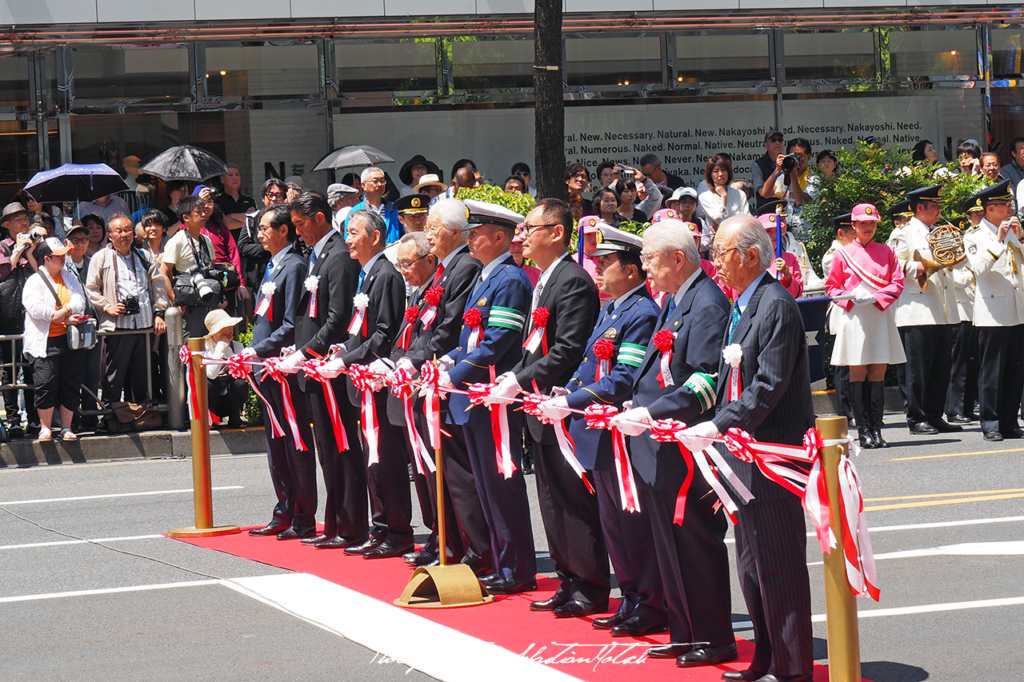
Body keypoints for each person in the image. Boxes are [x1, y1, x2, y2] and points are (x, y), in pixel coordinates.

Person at [685, 214, 815, 682]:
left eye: (721, 252)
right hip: (742, 453)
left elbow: (768, 384)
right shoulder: (743, 302)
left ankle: (794, 667)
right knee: (752, 566)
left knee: (778, 564)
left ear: (751, 256)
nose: (715, 262)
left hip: (772, 454)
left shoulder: (775, 304)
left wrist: (717, 426)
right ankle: (767, 655)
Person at [609, 218, 734, 665]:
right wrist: (631, 404)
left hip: (682, 441)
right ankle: (686, 628)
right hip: (658, 441)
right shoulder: (678, 298)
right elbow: (656, 369)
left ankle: (713, 635)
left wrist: (651, 412)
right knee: (670, 544)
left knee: (694, 541)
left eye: (649, 257)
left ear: (677, 259)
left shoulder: (706, 303)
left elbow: (703, 380)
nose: (643, 266)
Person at [539, 223, 662, 636]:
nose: (598, 270)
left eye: (606, 263)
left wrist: (571, 401)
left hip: (619, 433)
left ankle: (649, 602)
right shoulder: (612, 309)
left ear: (631, 270)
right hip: (597, 432)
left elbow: (623, 377)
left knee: (631, 524)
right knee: (613, 524)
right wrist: (566, 389)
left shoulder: (641, 312)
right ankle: (629, 597)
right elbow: (590, 366)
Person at [487, 198, 604, 611]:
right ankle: (568, 578)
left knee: (572, 500)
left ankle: (589, 585)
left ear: (556, 233)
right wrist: (514, 376)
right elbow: (534, 344)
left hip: (560, 406)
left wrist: (519, 381)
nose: (522, 236)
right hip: (538, 405)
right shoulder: (544, 280)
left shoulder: (571, 280)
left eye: (530, 228)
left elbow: (568, 349)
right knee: (551, 500)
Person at [391, 200, 491, 572]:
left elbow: (448, 330)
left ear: (453, 232)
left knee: (457, 475)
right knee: (432, 470)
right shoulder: (447, 269)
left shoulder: (464, 267)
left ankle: (471, 546)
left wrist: (415, 360)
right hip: (427, 378)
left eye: (433, 227)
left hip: (446, 380)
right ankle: (444, 537)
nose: (428, 232)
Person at [444, 200, 536, 594]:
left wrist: (457, 374)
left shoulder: (510, 280)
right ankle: (501, 561)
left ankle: (517, 566)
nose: (470, 238)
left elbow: (499, 341)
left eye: (477, 232)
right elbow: (470, 339)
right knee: (485, 485)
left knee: (502, 484)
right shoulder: (485, 276)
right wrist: (447, 361)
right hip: (473, 396)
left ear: (499, 237)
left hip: (490, 396)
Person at [286, 192, 365, 547]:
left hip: (327, 365)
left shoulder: (339, 257)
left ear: (320, 218)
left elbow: (336, 320)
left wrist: (306, 353)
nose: (297, 232)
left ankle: (349, 525)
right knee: (327, 449)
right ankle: (334, 523)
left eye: (301, 225)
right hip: (314, 366)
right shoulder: (319, 255)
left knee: (342, 448)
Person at [330, 209, 410, 558]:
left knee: (386, 458)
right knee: (371, 457)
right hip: (359, 380)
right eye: (346, 232)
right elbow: (360, 328)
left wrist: (346, 360)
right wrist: (343, 348)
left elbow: (383, 334)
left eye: (354, 232)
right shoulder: (368, 274)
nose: (347, 239)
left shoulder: (386, 275)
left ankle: (397, 531)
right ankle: (380, 527)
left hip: (376, 381)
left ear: (375, 237)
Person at [242, 203, 317, 540]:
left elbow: (290, 325)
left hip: (281, 366)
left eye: (265, 228)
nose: (259, 235)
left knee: (294, 442)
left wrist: (257, 350)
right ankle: (283, 508)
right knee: (275, 443)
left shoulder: (295, 266)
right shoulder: (273, 265)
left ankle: (303, 515)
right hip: (265, 367)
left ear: (284, 230)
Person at [825, 203, 906, 449]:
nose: (868, 227)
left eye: (872, 223)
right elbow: (832, 288)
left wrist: (876, 297)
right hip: (856, 317)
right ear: (854, 225)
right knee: (858, 374)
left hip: (879, 315)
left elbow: (897, 282)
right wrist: (851, 297)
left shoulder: (887, 251)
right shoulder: (842, 253)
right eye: (863, 223)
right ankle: (863, 432)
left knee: (878, 375)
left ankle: (877, 429)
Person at [887, 185, 962, 435]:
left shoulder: (937, 232)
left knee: (940, 367)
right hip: (917, 308)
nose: (940, 210)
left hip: (941, 307)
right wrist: (917, 268)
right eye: (935, 206)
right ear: (920, 208)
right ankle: (916, 417)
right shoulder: (904, 233)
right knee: (917, 370)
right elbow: (893, 264)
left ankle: (934, 414)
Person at [962, 180, 1024, 441]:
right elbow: (980, 269)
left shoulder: (1012, 230)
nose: (1010, 208)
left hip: (1017, 309)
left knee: (1014, 370)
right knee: (992, 371)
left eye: (1010, 203)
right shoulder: (974, 236)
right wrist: (998, 241)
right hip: (993, 313)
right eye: (1004, 204)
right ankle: (991, 423)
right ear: (990, 208)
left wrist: (1020, 238)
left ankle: (1009, 422)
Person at [86, 214, 167, 406]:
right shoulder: (101, 257)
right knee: (114, 375)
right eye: (119, 231)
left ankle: (140, 413)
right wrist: (108, 306)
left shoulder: (144, 255)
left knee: (142, 374)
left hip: (144, 324)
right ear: (110, 235)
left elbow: (158, 287)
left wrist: (159, 313)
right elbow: (91, 288)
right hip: (118, 327)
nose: (124, 234)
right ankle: (110, 415)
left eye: (127, 230)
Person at [22, 237, 87, 442]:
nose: (64, 259)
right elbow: (34, 307)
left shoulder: (69, 276)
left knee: (70, 383)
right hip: (45, 342)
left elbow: (79, 298)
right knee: (46, 384)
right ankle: (45, 427)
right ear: (47, 259)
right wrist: (56, 315)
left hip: (69, 340)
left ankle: (66, 426)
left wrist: (65, 311)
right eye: (59, 257)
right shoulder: (34, 281)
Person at [0, 202, 40, 438]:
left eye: (26, 218)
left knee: (33, 368)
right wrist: (16, 251)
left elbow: (43, 273)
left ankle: (34, 419)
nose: (24, 223)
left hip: (32, 317)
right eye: (18, 219)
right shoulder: (3, 248)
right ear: (7, 225)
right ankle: (13, 420)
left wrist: (30, 251)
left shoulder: (34, 246)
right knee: (8, 371)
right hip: (7, 317)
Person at [160, 195, 221, 339]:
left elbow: (211, 267)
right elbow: (163, 273)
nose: (203, 214)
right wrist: (176, 300)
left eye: (204, 211)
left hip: (208, 299)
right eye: (198, 211)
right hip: (188, 302)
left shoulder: (206, 240)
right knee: (192, 344)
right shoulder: (177, 241)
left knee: (210, 344)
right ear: (186, 218)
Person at [64, 224, 101, 431]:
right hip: (71, 327)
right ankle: (73, 418)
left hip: (92, 325)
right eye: (75, 240)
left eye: (84, 240)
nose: (80, 244)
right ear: (66, 243)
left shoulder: (93, 263)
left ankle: (90, 415)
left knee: (92, 373)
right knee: (73, 374)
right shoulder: (62, 265)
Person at [947, 198, 981, 425]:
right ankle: (954, 408)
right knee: (958, 363)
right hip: (961, 312)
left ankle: (968, 406)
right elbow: (956, 280)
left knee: (973, 362)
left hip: (977, 311)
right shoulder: (953, 254)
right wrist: (974, 272)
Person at [822, 213, 857, 425]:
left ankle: (855, 409)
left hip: (855, 314)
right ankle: (845, 411)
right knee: (844, 367)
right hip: (842, 314)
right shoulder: (834, 255)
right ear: (841, 233)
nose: (856, 238)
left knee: (855, 365)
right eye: (852, 234)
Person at [237, 179, 287, 304]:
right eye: (271, 195)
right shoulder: (252, 219)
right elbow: (242, 247)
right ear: (263, 198)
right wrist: (268, 247)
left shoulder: (291, 219)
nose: (274, 199)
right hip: (259, 278)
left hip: (286, 273)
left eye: (279, 195)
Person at [203, 310, 247, 428]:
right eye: (226, 326)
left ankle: (235, 419)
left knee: (240, 384)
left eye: (231, 325)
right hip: (212, 399)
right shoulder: (204, 346)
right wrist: (220, 346)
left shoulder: (237, 346)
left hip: (228, 397)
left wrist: (227, 348)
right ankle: (208, 421)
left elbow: (240, 373)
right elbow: (211, 374)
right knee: (210, 384)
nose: (230, 329)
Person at [771, 138, 818, 239]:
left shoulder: (814, 179)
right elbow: (765, 194)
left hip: (806, 235)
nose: (797, 159)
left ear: (809, 157)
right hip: (786, 234)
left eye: (800, 156)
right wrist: (777, 170)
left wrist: (793, 174)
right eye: (793, 155)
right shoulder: (783, 177)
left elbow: (800, 201)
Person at [345, 167, 402, 244]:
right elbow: (349, 240)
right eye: (375, 181)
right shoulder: (355, 212)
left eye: (382, 181)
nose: (380, 184)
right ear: (363, 185)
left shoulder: (394, 208)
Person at [757, 212, 804, 298]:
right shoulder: (752, 259)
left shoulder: (790, 258)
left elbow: (797, 292)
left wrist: (787, 274)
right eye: (768, 231)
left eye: (777, 230)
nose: (774, 235)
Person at [699, 155, 750, 230]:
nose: (721, 174)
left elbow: (747, 219)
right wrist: (724, 196)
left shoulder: (740, 194)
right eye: (716, 171)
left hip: (739, 236)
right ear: (710, 175)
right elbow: (720, 220)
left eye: (724, 170)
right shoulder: (705, 197)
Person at [214, 163, 257, 238]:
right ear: (222, 179)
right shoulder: (217, 201)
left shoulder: (249, 200)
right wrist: (247, 217)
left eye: (237, 175)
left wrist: (231, 216)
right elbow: (225, 224)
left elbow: (255, 221)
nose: (235, 178)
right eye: (230, 175)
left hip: (248, 245)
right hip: (227, 245)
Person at [753, 129, 785, 209]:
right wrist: (782, 190)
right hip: (766, 212)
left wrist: (770, 188)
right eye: (773, 140)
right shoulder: (757, 165)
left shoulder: (789, 161)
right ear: (766, 145)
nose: (777, 142)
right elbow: (764, 193)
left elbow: (792, 192)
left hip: (787, 212)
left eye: (780, 140)